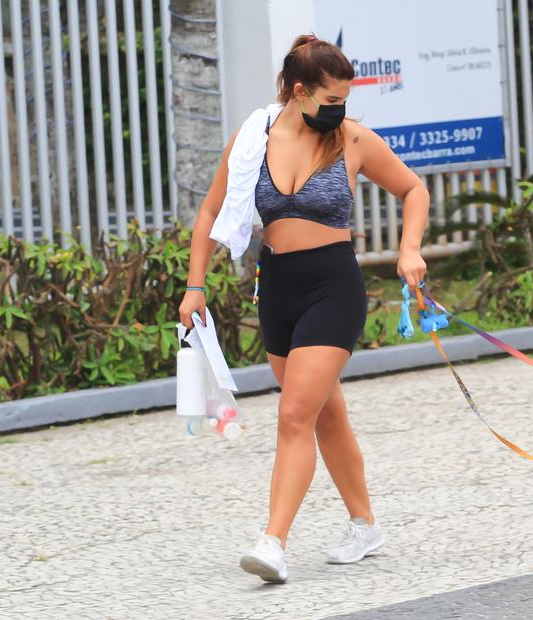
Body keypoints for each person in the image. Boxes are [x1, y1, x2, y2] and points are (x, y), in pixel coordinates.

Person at [178, 34, 429, 583]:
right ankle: (365, 524)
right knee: (325, 412)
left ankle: (273, 542)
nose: (341, 111)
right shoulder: (252, 141)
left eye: (345, 101)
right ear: (298, 93)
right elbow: (209, 212)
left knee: (295, 415)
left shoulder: (353, 139)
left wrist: (409, 249)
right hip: (278, 290)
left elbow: (413, 190)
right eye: (332, 100)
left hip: (333, 288)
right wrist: (195, 286)